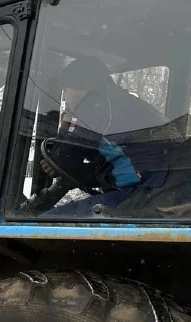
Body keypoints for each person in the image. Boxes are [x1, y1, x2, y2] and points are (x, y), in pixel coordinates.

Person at [40, 55, 182, 216]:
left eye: (66, 90)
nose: (64, 97)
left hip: (144, 193)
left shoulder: (93, 108)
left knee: (46, 220)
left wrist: (66, 123)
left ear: (84, 89)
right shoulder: (123, 104)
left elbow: (65, 160)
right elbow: (107, 160)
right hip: (168, 189)